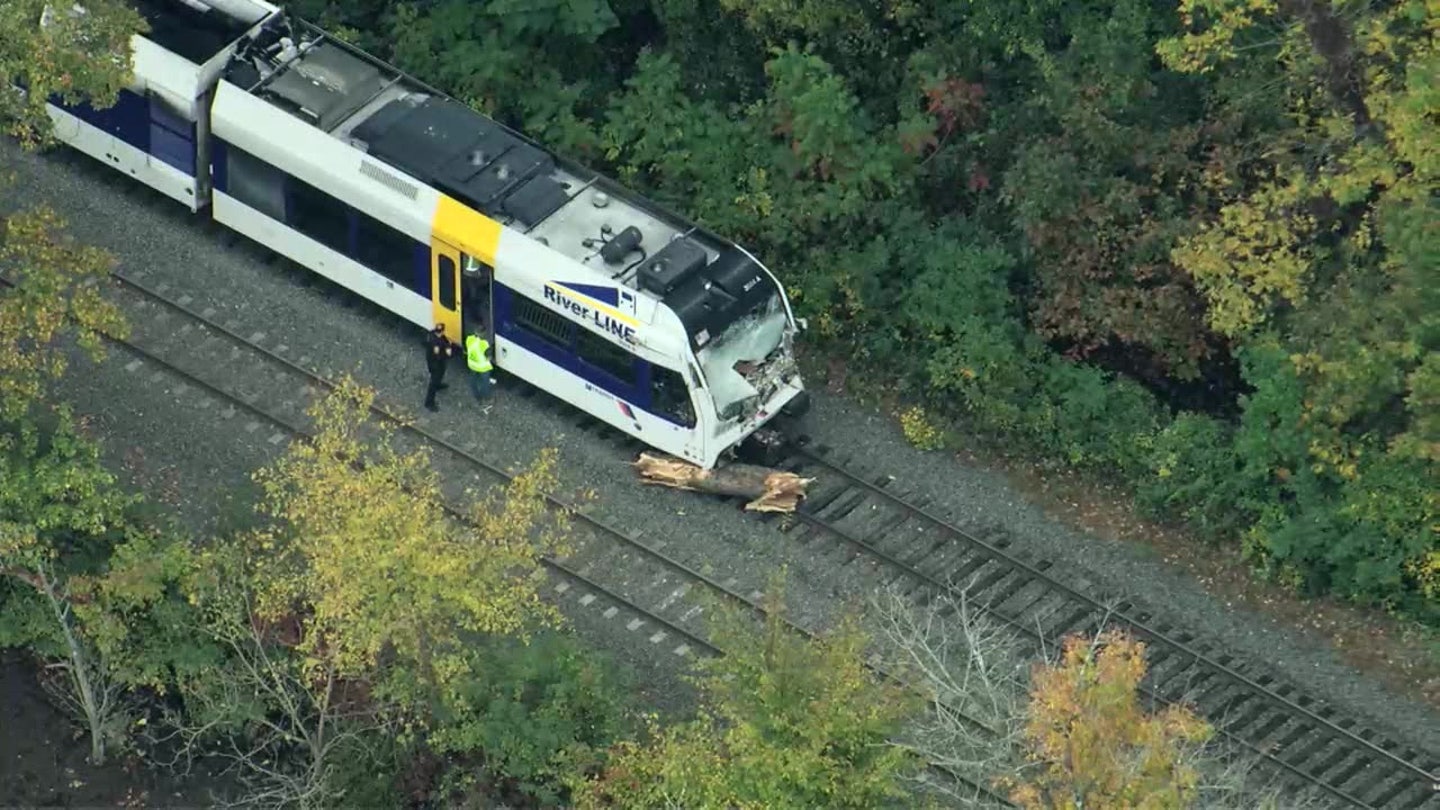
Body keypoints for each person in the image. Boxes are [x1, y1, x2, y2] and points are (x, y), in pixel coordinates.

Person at [423, 324, 454, 412]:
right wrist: (448, 348)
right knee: (433, 382)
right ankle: (429, 403)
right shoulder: (438, 342)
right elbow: (443, 353)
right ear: (442, 331)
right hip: (436, 364)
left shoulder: (431, 334)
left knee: (440, 374)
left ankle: (438, 385)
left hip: (431, 361)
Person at [464, 330, 495, 404]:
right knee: (485, 383)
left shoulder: (469, 339)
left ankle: (477, 397)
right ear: (482, 333)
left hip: (472, 365)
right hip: (482, 367)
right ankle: (487, 398)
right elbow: (488, 358)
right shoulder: (484, 344)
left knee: (473, 382)